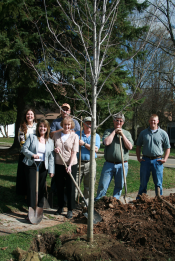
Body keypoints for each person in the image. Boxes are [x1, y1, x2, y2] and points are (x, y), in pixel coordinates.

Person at [95, 113, 133, 201]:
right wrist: (114, 132)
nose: (118, 122)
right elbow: (106, 142)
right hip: (109, 164)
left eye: (120, 121)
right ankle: (99, 201)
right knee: (103, 185)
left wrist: (122, 135)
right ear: (113, 121)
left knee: (119, 186)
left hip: (122, 164)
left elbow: (130, 147)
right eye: (117, 120)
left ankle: (114, 202)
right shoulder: (108, 131)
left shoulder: (127, 133)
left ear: (123, 122)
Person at [22, 119, 55, 219]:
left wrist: (51, 170)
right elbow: (24, 149)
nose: (42, 128)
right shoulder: (32, 137)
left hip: (43, 166)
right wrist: (32, 155)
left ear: (47, 129)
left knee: (41, 188)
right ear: (38, 128)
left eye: (44, 127)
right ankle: (31, 209)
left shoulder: (50, 141)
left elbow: (51, 157)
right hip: (31, 165)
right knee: (32, 188)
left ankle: (39, 210)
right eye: (40, 126)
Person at [136, 114, 170, 199]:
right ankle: (141, 199)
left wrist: (165, 159)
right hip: (145, 160)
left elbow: (167, 147)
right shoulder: (143, 133)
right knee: (143, 182)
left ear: (158, 121)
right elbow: (138, 146)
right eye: (151, 120)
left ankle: (159, 199)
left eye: (154, 120)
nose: (153, 122)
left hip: (157, 161)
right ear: (149, 121)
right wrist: (138, 158)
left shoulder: (163, 133)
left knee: (158, 183)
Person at [53, 116, 79, 218]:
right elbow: (53, 146)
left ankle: (70, 209)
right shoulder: (56, 135)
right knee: (59, 186)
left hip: (71, 164)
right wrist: (55, 149)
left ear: (71, 125)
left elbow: (74, 152)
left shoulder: (75, 136)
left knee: (70, 187)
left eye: (68, 124)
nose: (66, 126)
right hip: (58, 164)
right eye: (65, 124)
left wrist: (70, 165)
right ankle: (60, 207)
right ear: (62, 125)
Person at [75, 116, 100, 205]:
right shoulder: (77, 134)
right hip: (78, 162)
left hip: (90, 163)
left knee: (89, 186)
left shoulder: (95, 135)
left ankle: (86, 204)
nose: (88, 125)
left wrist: (84, 144)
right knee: (75, 184)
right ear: (83, 124)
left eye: (90, 123)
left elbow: (96, 149)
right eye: (86, 123)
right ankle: (74, 202)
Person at [16, 108, 37, 196]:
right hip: (25, 154)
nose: (29, 116)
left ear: (34, 116)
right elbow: (22, 142)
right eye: (28, 114)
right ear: (25, 116)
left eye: (31, 114)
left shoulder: (38, 126)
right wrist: (29, 153)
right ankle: (24, 194)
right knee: (24, 175)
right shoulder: (22, 127)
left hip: (36, 154)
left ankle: (34, 193)